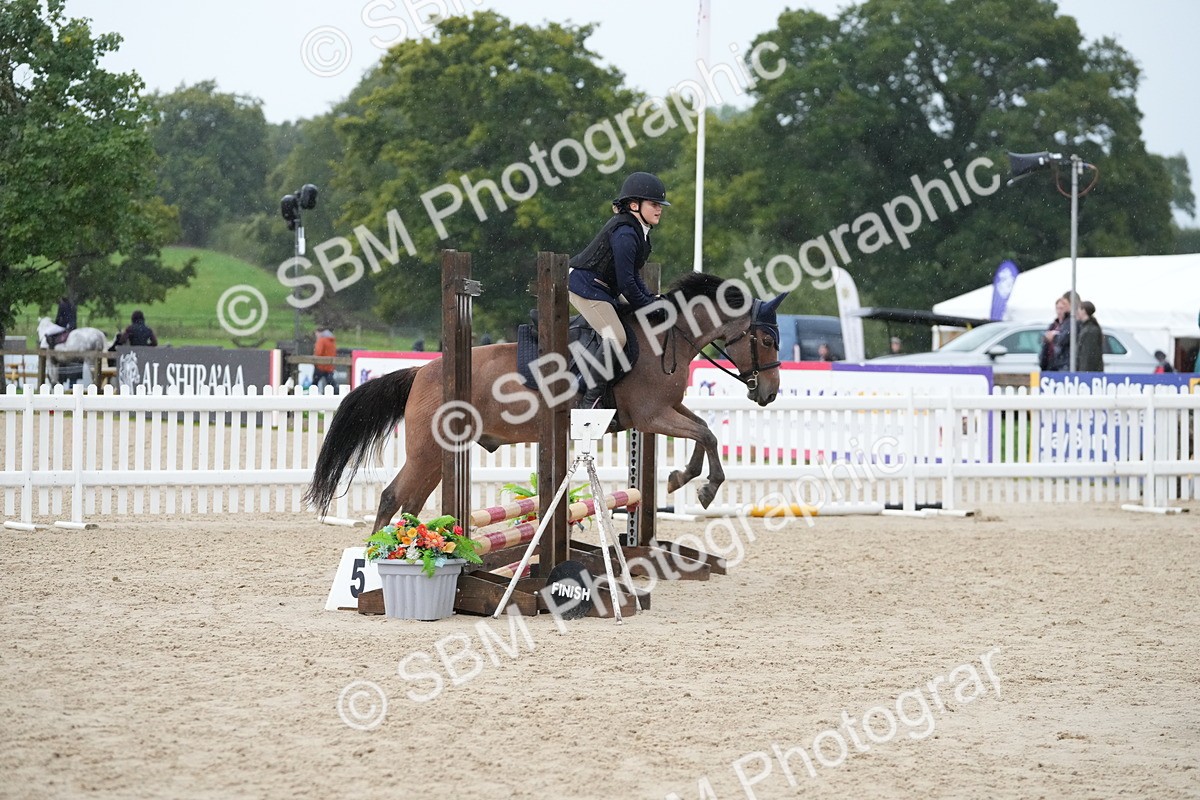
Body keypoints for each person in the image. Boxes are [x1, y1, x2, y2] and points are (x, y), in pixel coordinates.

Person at [568, 171, 670, 406]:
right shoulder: (625, 233)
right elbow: (627, 284)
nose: (659, 209)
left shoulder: (639, 231)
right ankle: (590, 401)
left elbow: (632, 276)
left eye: (660, 205)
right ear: (634, 205)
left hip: (603, 289)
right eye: (654, 204)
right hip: (585, 288)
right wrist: (649, 305)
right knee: (616, 336)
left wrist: (651, 299)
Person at [1039, 294, 1070, 370]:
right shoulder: (1053, 325)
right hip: (1050, 363)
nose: (1059, 311)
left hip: (1062, 364)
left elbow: (1064, 339)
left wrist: (1054, 337)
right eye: (1057, 308)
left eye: (1061, 308)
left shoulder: (1069, 324)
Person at [1075, 300, 1104, 372]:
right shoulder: (1087, 327)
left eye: (1079, 309)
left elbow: (1087, 355)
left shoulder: (1089, 330)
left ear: (1084, 311)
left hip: (1088, 371)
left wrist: (1083, 372)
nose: (1077, 312)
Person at [313, 326, 338, 391]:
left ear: (319, 332)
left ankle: (312, 393)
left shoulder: (321, 340)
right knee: (331, 383)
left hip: (321, 365)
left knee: (314, 383)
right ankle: (337, 393)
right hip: (329, 365)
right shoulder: (331, 340)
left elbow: (318, 352)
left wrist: (315, 359)